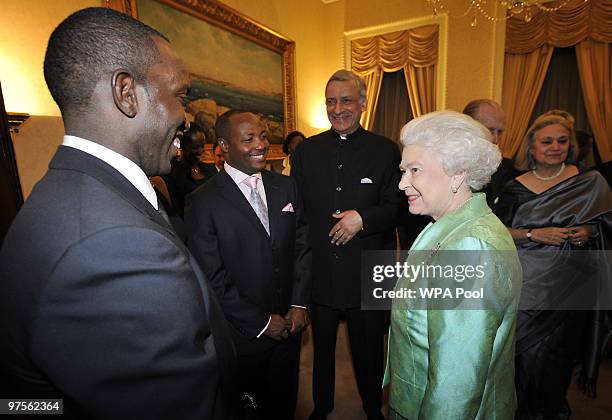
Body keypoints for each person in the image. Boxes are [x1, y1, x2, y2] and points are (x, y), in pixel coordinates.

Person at [0, 7, 234, 419]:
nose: (187, 116)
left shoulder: (69, 188)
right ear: (126, 93)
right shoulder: (115, 246)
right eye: (180, 96)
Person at [384, 110, 522, 419]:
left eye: (415, 170)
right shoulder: (447, 226)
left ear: (458, 173)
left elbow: (456, 383)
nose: (403, 183)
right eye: (403, 170)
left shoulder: (469, 246)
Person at [185, 110, 311, 419]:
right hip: (244, 337)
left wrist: (299, 303)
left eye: (264, 136)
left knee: (285, 406)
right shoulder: (203, 201)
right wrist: (263, 323)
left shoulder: (286, 187)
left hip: (290, 328)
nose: (261, 145)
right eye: (249, 139)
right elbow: (211, 276)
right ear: (224, 147)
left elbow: (303, 246)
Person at [291, 69, 401, 420]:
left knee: (370, 353)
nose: (337, 109)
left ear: (363, 104)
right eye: (331, 101)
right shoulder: (306, 151)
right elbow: (298, 212)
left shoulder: (386, 151)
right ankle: (321, 409)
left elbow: (398, 206)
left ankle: (373, 411)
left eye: (346, 100)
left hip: (367, 274)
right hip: (320, 271)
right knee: (321, 353)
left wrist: (362, 219)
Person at [494, 112, 612, 419]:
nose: (555, 147)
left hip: (571, 289)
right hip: (525, 288)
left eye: (562, 141)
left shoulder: (590, 182)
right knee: (523, 359)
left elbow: (606, 225)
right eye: (547, 141)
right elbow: (496, 233)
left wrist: (591, 231)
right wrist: (535, 234)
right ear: (531, 147)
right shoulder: (513, 188)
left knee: (556, 361)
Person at [462, 98, 518, 206]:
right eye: (490, 130)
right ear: (468, 126)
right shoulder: (445, 163)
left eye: (500, 132)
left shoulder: (508, 170)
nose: (496, 139)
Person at [163, 122, 215, 217]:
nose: (201, 151)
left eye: (202, 146)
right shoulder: (172, 173)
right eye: (195, 147)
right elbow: (175, 210)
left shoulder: (209, 169)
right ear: (183, 146)